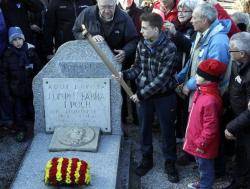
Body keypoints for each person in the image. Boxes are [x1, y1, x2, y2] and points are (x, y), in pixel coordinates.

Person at [115, 12, 179, 183]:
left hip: (164, 96)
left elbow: (162, 79)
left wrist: (140, 94)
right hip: (144, 97)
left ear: (156, 29)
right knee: (144, 129)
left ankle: (170, 163)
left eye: (144, 28)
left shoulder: (170, 48)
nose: (140, 31)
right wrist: (124, 74)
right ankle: (147, 160)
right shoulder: (142, 44)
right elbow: (137, 68)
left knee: (167, 131)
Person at [72, 0, 139, 127]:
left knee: (118, 95)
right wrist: (89, 38)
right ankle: (96, 120)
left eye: (110, 7)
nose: (107, 10)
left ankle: (120, 123)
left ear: (115, 4)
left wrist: (125, 51)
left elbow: (134, 39)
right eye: (103, 7)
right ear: (97, 3)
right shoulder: (87, 13)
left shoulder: (124, 17)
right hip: (94, 63)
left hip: (116, 62)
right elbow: (76, 31)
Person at [183, 59, 227, 189]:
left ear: (208, 79)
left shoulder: (210, 100)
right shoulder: (201, 91)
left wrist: (201, 143)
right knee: (201, 165)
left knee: (205, 167)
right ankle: (203, 183)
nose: (195, 77)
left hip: (203, 144)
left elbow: (211, 128)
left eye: (199, 75)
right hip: (199, 141)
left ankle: (205, 185)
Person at [0, 27, 41, 142]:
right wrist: (7, 93)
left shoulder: (30, 51)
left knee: (33, 110)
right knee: (18, 113)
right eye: (14, 40)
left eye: (19, 39)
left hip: (30, 87)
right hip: (16, 90)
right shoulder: (8, 55)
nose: (17, 42)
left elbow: (38, 68)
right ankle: (21, 130)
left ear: (23, 39)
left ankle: (38, 130)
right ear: (10, 41)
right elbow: (4, 76)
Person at [225, 32, 250, 189]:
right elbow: (234, 89)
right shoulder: (238, 64)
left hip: (246, 124)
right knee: (240, 153)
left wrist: (232, 126)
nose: (228, 52)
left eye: (231, 50)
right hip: (240, 120)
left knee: (245, 156)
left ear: (242, 54)